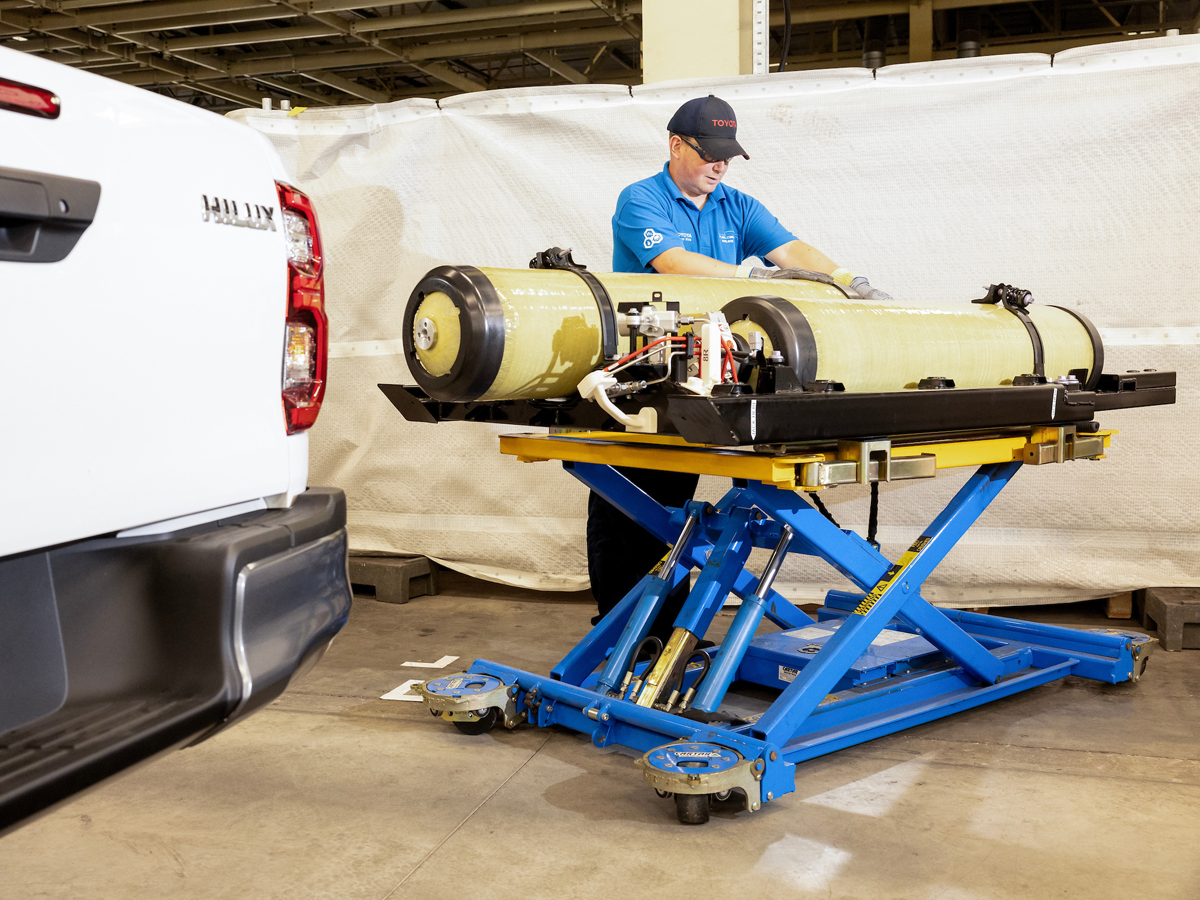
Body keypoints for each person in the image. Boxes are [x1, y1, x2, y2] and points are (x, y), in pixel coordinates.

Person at [587, 94, 895, 636]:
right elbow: (674, 264)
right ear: (675, 145)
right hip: (643, 375)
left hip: (706, 372)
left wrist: (849, 282)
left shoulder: (737, 205)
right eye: (709, 153)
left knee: (673, 510)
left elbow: (791, 249)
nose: (719, 164)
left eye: (728, 154)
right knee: (628, 510)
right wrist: (750, 280)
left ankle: (662, 631)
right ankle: (620, 633)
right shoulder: (641, 200)